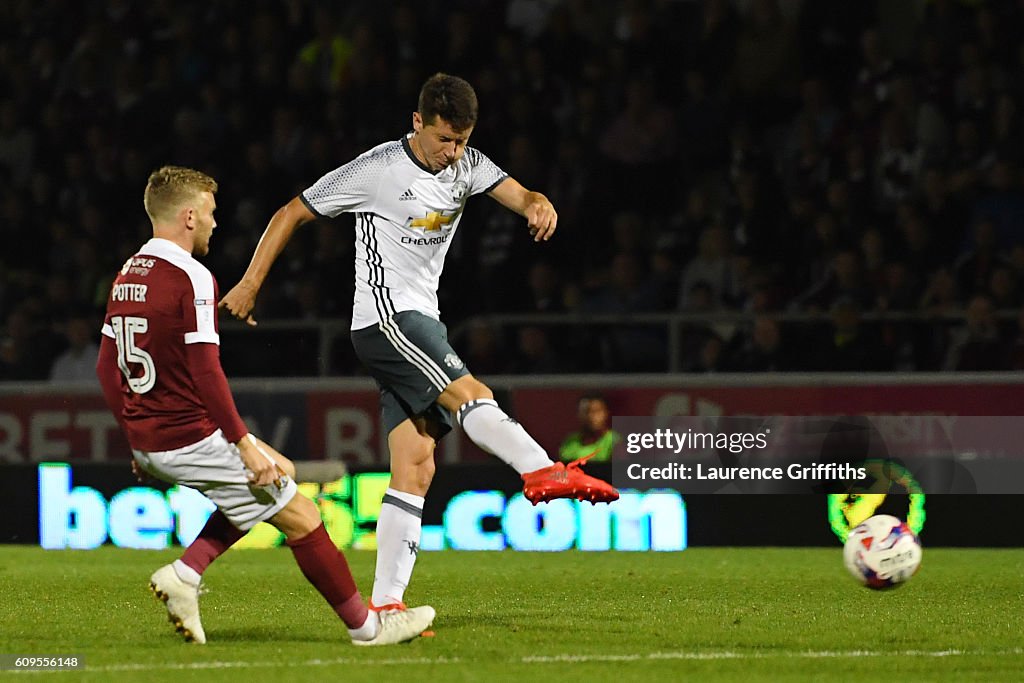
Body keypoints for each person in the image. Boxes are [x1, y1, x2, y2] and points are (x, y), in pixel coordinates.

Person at [220, 73, 618, 613]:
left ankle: (385, 605)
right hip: (386, 318)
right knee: (468, 390)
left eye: (461, 141)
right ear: (416, 123)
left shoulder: (468, 164)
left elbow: (518, 192)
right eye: (443, 141)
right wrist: (249, 283)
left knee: (416, 463)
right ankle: (538, 468)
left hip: (419, 320)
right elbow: (291, 212)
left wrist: (537, 202)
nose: (453, 154)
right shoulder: (378, 169)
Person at [96, 166, 433, 646]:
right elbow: (207, 373)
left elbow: (106, 369)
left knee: (283, 469)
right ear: (189, 216)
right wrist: (242, 444)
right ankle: (368, 627)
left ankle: (187, 573)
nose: (216, 223)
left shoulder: (128, 273)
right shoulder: (192, 277)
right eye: (211, 213)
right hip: (187, 436)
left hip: (153, 440)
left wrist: (135, 438)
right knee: (303, 516)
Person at [559, 395, 621, 463]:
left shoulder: (614, 441)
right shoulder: (570, 442)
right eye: (586, 411)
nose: (591, 416)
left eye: (597, 411)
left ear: (605, 413)